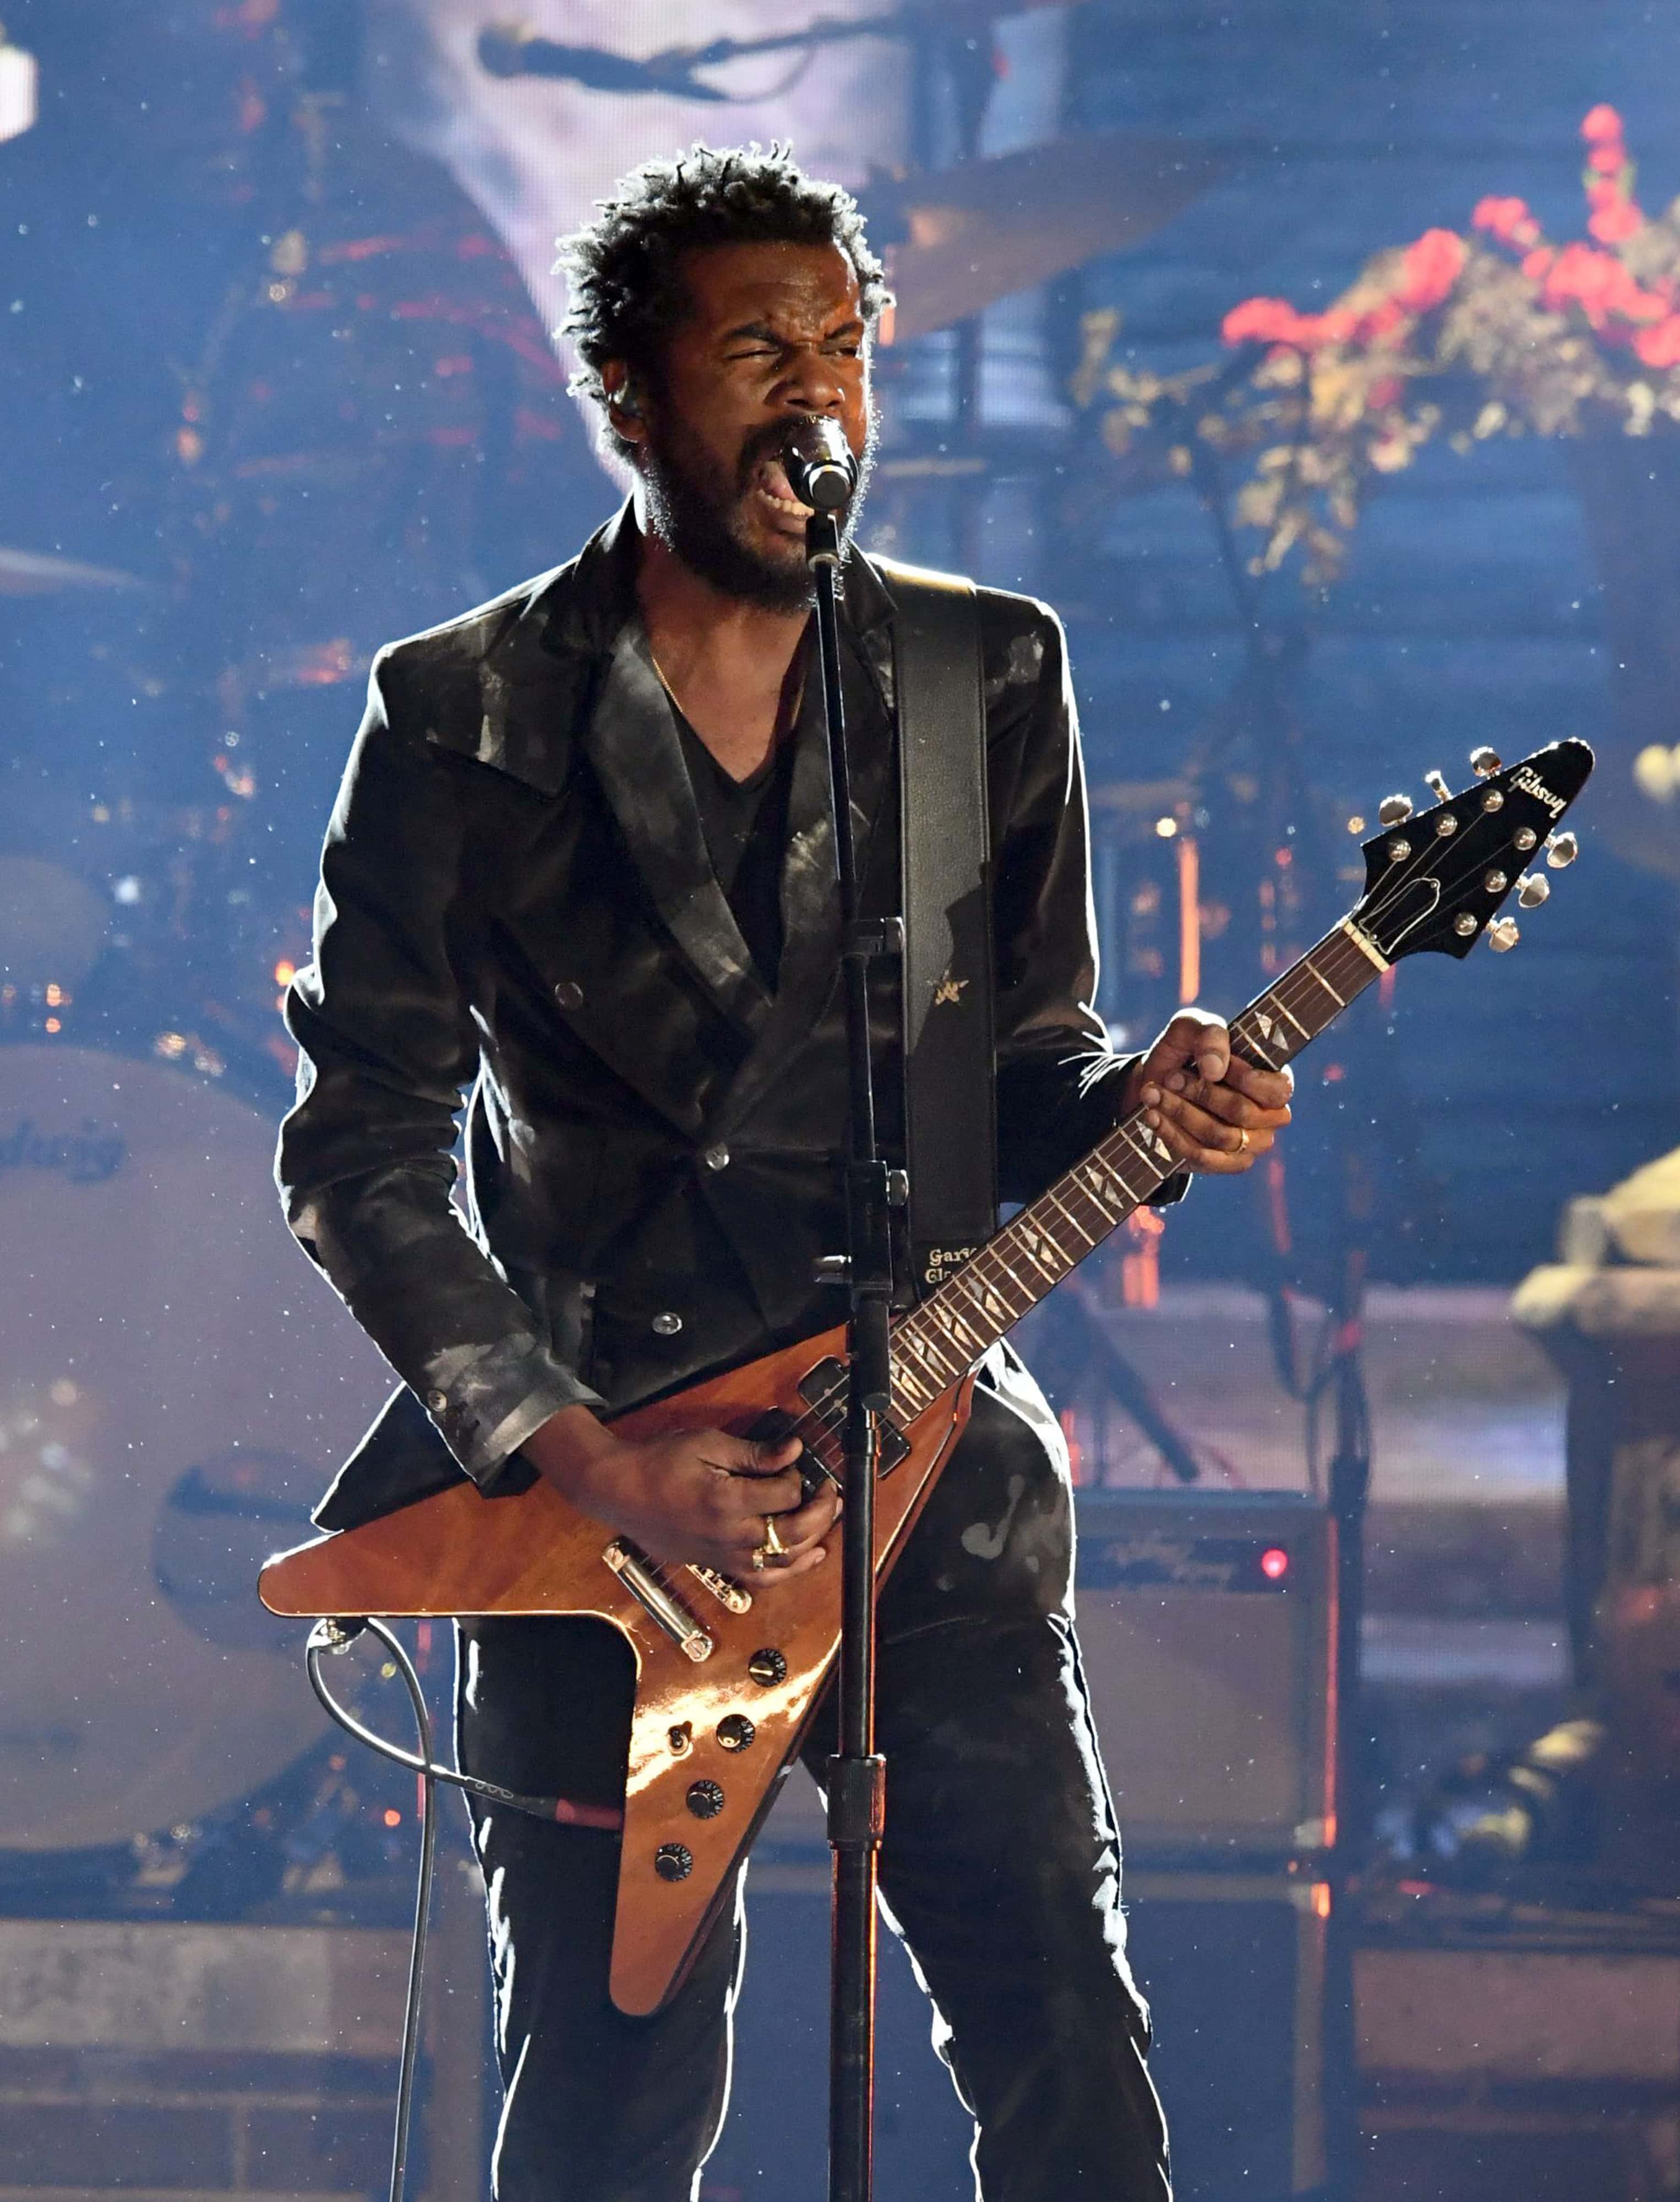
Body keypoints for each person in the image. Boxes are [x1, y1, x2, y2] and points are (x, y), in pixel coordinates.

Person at [276, 144, 1293, 2202]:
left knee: (1064, 2046)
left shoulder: (980, 674)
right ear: (627, 388)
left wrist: (1149, 1110)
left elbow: (1025, 1068)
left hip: (919, 1467)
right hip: (597, 1505)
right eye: (758, 350)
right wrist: (589, 1459)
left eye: (844, 345)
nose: (817, 392)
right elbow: (360, 1150)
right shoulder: (464, 710)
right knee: (608, 2098)